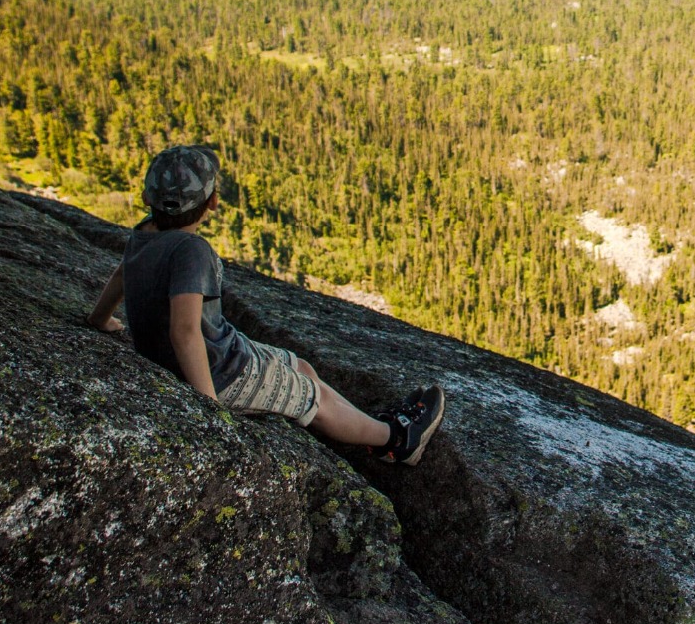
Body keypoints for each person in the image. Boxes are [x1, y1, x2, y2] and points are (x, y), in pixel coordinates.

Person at [85, 144, 444, 465]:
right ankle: (396, 440)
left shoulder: (144, 233)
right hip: (220, 372)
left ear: (148, 199)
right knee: (313, 397)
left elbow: (121, 275)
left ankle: (368, 423)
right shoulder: (191, 250)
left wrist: (101, 319)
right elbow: (184, 330)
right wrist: (208, 409)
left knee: (301, 368)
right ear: (212, 201)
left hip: (219, 350)